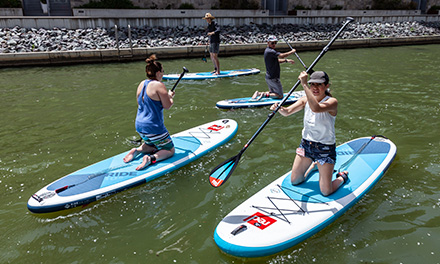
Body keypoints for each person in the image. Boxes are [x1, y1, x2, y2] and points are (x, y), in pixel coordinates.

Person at [270, 71, 349, 196]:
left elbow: (316, 108)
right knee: (295, 181)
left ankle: (342, 178)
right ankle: (313, 166)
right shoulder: (304, 100)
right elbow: (287, 112)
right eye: (312, 84)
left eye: (319, 84)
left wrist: (304, 84)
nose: (315, 88)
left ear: (327, 85)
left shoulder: (332, 102)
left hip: (325, 148)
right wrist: (279, 108)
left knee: (326, 191)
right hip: (306, 145)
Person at [123, 54, 175, 170]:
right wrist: (170, 96)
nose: (163, 74)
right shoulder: (159, 85)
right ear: (158, 73)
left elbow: (141, 104)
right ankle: (151, 158)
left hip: (140, 126)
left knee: (151, 144)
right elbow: (167, 106)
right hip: (154, 127)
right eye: (162, 71)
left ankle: (136, 151)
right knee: (169, 150)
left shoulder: (142, 84)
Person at [253, 36, 296, 100]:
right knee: (280, 95)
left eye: (275, 43)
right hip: (273, 78)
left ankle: (261, 94)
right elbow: (281, 56)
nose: (274, 45)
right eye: (272, 43)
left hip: (269, 77)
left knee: (273, 93)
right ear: (268, 43)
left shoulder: (268, 51)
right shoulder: (270, 51)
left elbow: (277, 61)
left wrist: (286, 60)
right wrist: (292, 51)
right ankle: (262, 94)